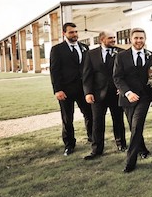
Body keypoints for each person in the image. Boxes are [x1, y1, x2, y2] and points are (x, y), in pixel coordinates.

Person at [49, 22, 93, 156]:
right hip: (65, 90)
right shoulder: (57, 49)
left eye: (75, 32)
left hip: (83, 90)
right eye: (71, 32)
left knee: (89, 114)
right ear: (64, 34)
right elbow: (54, 71)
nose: (74, 34)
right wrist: (57, 90)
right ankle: (69, 144)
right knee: (67, 118)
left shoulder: (85, 47)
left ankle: (93, 138)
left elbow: (89, 69)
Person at [114, 28, 152, 173]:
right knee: (133, 127)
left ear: (145, 39)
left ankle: (130, 162)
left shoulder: (151, 56)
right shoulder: (121, 56)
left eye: (141, 38)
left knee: (136, 127)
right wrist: (128, 92)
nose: (139, 41)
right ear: (131, 39)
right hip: (127, 98)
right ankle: (143, 150)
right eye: (136, 38)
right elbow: (117, 77)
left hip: (144, 97)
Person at [81, 30, 126, 160]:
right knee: (97, 122)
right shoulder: (91, 54)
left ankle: (121, 144)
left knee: (118, 120)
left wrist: (122, 89)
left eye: (114, 37)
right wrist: (88, 92)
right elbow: (87, 75)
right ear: (102, 39)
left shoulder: (121, 52)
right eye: (110, 38)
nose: (113, 40)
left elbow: (124, 72)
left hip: (116, 93)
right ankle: (96, 149)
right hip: (97, 94)